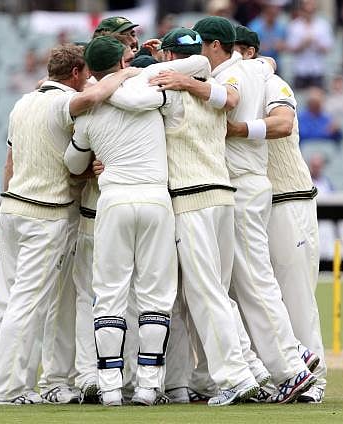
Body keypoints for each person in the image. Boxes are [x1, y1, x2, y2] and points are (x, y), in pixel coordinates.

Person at [0, 44, 139, 405]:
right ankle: (8, 391)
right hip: (45, 215)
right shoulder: (62, 103)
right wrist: (128, 72)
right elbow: (97, 96)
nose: (89, 79)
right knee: (28, 305)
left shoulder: (22, 103)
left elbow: (10, 164)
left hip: (12, 209)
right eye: (85, 73)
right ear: (74, 73)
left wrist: (1, 215)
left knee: (6, 300)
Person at [112, 26, 266, 406]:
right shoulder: (213, 87)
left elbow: (128, 98)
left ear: (168, 57)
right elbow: (227, 94)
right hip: (223, 197)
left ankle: (235, 377)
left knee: (204, 294)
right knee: (218, 293)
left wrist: (133, 71)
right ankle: (250, 371)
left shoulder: (168, 93)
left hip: (191, 199)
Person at [64, 36, 178, 407]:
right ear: (122, 62)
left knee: (109, 294)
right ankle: (148, 385)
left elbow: (73, 164)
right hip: (155, 198)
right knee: (155, 294)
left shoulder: (88, 111)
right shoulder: (149, 91)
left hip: (112, 201)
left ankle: (110, 386)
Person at [229, 26, 326, 404]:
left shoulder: (272, 82)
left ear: (250, 52)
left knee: (295, 294)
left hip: (288, 198)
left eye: (237, 51)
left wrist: (238, 129)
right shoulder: (236, 85)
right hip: (253, 202)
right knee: (259, 294)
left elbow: (283, 124)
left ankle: (315, 381)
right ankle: (280, 375)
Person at [286, 0, 334, 89]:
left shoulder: (323, 25)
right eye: (306, 11)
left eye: (311, 11)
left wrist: (316, 42)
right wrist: (303, 44)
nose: (309, 14)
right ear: (302, 11)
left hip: (318, 70)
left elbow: (328, 49)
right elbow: (290, 49)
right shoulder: (294, 26)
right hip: (300, 70)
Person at [248, 0, 288, 73]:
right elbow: (249, 48)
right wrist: (261, 47)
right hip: (258, 66)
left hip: (275, 65)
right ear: (266, 9)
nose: (276, 11)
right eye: (273, 8)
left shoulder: (281, 26)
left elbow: (285, 45)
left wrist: (281, 46)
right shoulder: (255, 26)